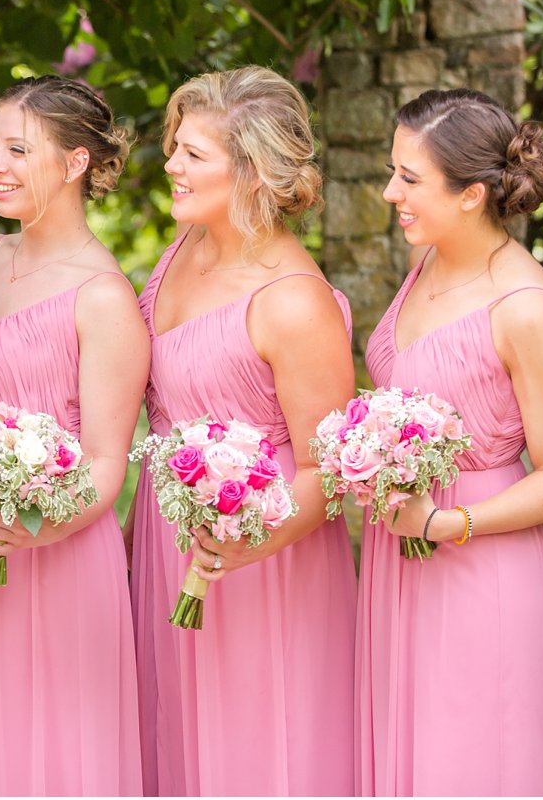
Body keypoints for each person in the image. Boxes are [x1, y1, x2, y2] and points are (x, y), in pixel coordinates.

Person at [129, 67, 358, 795]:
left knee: (260, 760)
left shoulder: (294, 302)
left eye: (193, 154)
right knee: (179, 750)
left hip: (265, 564)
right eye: (175, 146)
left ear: (252, 172)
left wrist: (242, 543)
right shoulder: (176, 256)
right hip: (169, 546)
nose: (170, 164)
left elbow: (330, 475)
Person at [358, 89, 543, 795]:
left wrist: (446, 522)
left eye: (410, 179)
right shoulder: (428, 261)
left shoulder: (524, 307)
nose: (391, 192)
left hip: (478, 565)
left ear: (472, 195)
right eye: (394, 171)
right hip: (402, 556)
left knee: (472, 764)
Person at [0, 77, 146, 796]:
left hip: (55, 547)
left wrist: (38, 521)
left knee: (54, 757)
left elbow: (105, 461)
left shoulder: (103, 297)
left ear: (74, 163)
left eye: (16, 149)